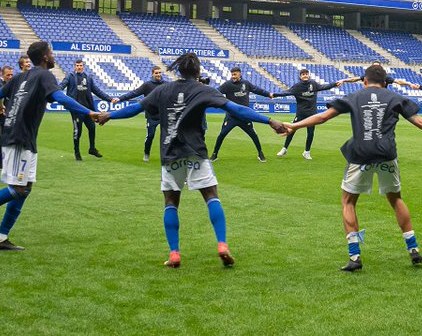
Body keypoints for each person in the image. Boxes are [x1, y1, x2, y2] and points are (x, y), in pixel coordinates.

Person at [95, 53, 287, 268]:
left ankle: (175, 253)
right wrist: (269, 120)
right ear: (197, 71)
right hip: (195, 151)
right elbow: (237, 109)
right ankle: (222, 244)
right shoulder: (203, 89)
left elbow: (136, 108)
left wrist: (109, 115)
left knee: (171, 202)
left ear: (179, 70)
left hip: (170, 153)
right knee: (211, 196)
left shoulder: (162, 90)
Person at [282, 64, 422, 272]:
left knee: (348, 201)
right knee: (396, 199)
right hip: (387, 154)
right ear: (384, 81)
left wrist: (294, 126)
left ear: (364, 81)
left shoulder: (355, 96)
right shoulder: (395, 97)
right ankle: (413, 248)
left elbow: (323, 117)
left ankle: (355, 256)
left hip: (360, 155)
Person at [0, 42, 102, 251]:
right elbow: (60, 97)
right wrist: (88, 112)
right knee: (18, 189)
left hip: (21, 136)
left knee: (25, 189)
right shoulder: (44, 76)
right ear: (44, 57)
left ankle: (0, 238)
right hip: (19, 137)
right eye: (51, 53)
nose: (53, 57)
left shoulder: (19, 78)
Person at [274, 69, 355, 160]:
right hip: (301, 113)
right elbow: (286, 93)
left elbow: (324, 86)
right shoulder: (297, 87)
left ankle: (307, 152)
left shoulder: (313, 84)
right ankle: (284, 148)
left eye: (306, 74)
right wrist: (274, 95)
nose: (305, 76)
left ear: (309, 75)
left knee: (310, 133)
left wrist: (335, 84)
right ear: (300, 76)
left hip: (312, 113)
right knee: (292, 130)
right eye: (303, 74)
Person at [212, 67, 272, 162]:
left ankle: (260, 153)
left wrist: (268, 94)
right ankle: (214, 154)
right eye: (232, 75)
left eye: (235, 74)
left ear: (240, 74)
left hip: (244, 117)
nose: (233, 77)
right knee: (222, 134)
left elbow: (257, 90)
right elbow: (216, 92)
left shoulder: (246, 83)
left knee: (253, 135)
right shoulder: (227, 85)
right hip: (231, 116)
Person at [114, 65, 168, 162]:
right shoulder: (147, 85)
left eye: (160, 73)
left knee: (166, 137)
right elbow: (134, 93)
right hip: (151, 116)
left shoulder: (166, 84)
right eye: (156, 73)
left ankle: (165, 155)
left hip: (164, 115)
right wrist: (120, 98)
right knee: (150, 136)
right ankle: (146, 154)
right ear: (152, 74)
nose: (158, 75)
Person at [60, 60, 108, 161]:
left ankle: (92, 148)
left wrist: (109, 98)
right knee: (78, 131)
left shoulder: (88, 78)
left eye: (81, 65)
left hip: (88, 110)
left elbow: (97, 91)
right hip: (76, 110)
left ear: (83, 67)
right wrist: (55, 91)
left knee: (92, 128)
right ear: (74, 67)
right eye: (77, 65)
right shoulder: (70, 77)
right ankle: (77, 152)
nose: (79, 67)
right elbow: (62, 85)